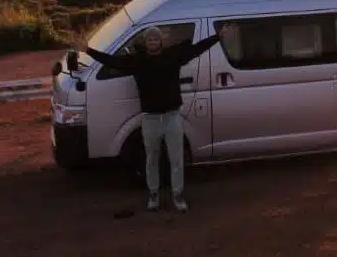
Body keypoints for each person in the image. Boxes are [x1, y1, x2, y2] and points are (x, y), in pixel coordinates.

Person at [85, 24, 233, 213]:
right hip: (150, 119)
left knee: (177, 158)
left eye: (155, 39)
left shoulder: (172, 56)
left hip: (172, 117)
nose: (152, 42)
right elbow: (112, 61)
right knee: (151, 159)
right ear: (146, 43)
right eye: (149, 39)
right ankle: (153, 194)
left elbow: (196, 50)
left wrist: (217, 37)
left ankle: (177, 195)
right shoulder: (138, 61)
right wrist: (88, 51)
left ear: (160, 41)